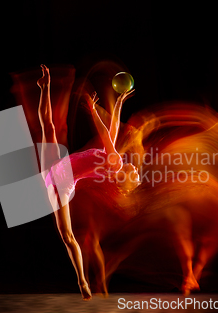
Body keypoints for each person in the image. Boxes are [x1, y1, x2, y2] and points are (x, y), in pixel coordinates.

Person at [37, 64, 140, 300]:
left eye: (134, 171)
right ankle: (45, 87)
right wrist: (119, 103)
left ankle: (82, 280)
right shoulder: (113, 157)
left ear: (125, 174)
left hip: (61, 184)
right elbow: (112, 131)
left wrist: (94, 111)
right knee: (49, 126)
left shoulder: (113, 163)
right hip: (57, 168)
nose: (135, 167)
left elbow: (106, 132)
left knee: (67, 235)